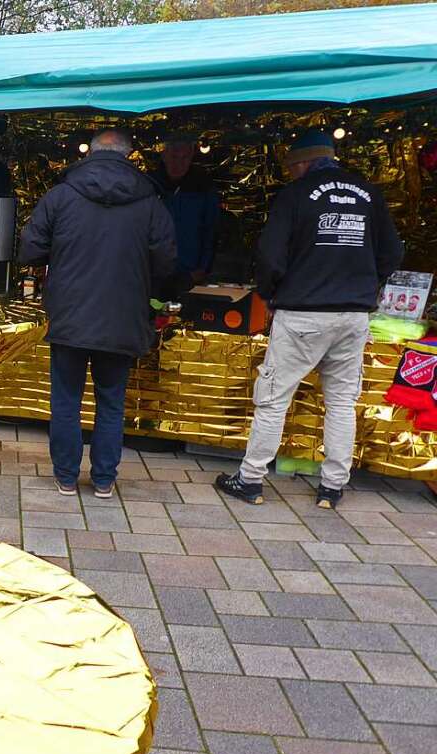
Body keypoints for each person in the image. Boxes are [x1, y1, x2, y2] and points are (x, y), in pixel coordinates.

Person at [217, 129, 403, 510]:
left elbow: (270, 255)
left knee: (273, 399)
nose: (290, 174)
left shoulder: (296, 194)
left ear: (302, 162)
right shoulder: (369, 194)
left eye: (291, 167)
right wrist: (367, 282)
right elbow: (393, 253)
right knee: (341, 402)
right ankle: (332, 487)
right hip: (353, 315)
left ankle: (250, 479)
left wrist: (268, 293)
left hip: (302, 312)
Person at [20, 129, 176, 498]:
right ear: (129, 156)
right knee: (111, 401)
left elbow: (29, 249)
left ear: (89, 153)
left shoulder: (61, 196)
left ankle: (66, 476)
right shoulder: (150, 201)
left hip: (70, 315)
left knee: (66, 400)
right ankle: (104, 479)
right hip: (123, 315)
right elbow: (167, 262)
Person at [151, 135, 220, 290]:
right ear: (164, 155)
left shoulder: (203, 186)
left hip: (190, 272)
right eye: (174, 157)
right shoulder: (150, 185)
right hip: (153, 271)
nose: (179, 163)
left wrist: (203, 268)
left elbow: (211, 230)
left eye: (184, 158)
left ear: (191, 158)